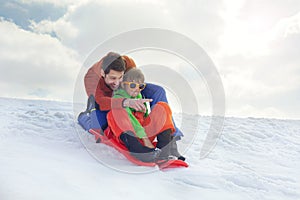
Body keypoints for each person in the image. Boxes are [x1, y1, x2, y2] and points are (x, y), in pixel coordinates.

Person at [78, 52, 185, 160]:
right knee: (99, 123)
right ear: (102, 73)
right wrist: (126, 102)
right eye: (112, 78)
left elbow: (136, 81)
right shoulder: (92, 79)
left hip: (127, 91)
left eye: (121, 77)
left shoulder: (128, 64)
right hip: (105, 100)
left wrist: (137, 101)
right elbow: (101, 102)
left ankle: (170, 140)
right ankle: (84, 116)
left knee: (158, 92)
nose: (117, 82)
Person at [107, 68, 180, 162]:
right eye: (133, 85)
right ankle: (139, 152)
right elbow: (131, 120)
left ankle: (164, 150)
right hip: (129, 138)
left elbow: (143, 121)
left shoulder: (139, 97)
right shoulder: (119, 99)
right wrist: (146, 140)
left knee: (162, 107)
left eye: (140, 86)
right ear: (123, 84)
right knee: (115, 112)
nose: (137, 89)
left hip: (142, 136)